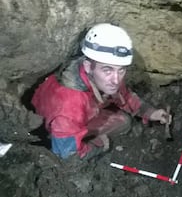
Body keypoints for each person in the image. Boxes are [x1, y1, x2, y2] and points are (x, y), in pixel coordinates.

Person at [32, 23, 170, 160]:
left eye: (121, 70)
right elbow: (67, 155)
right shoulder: (69, 105)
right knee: (110, 129)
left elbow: (124, 96)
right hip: (55, 130)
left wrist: (149, 112)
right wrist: (96, 146)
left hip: (83, 114)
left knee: (123, 122)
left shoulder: (100, 75)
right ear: (88, 66)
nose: (116, 80)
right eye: (107, 70)